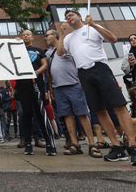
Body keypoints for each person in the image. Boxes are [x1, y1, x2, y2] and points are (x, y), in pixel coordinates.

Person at [56, 9, 136, 166]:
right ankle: (116, 146)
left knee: (119, 106)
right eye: (66, 17)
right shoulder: (69, 37)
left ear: (79, 16)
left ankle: (133, 147)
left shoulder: (91, 27)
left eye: (71, 15)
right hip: (83, 73)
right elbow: (60, 53)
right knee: (99, 110)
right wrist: (62, 34)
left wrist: (95, 25)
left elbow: (113, 39)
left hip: (100, 68)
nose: (68, 17)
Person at [44, 29, 102, 158]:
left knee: (82, 114)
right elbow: (49, 73)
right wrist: (50, 88)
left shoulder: (66, 47)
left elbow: (60, 51)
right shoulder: (47, 53)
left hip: (73, 85)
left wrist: (62, 36)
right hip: (57, 87)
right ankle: (75, 144)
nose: (45, 38)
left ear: (55, 36)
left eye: (48, 35)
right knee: (67, 116)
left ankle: (92, 144)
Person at [16, 30, 56, 156]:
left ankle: (49, 143)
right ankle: (28, 143)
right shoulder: (17, 50)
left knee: (41, 113)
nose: (25, 36)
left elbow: (45, 65)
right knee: (26, 114)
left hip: (36, 84)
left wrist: (36, 72)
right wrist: (13, 44)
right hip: (22, 85)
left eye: (28, 34)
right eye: (23, 35)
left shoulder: (39, 50)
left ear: (32, 37)